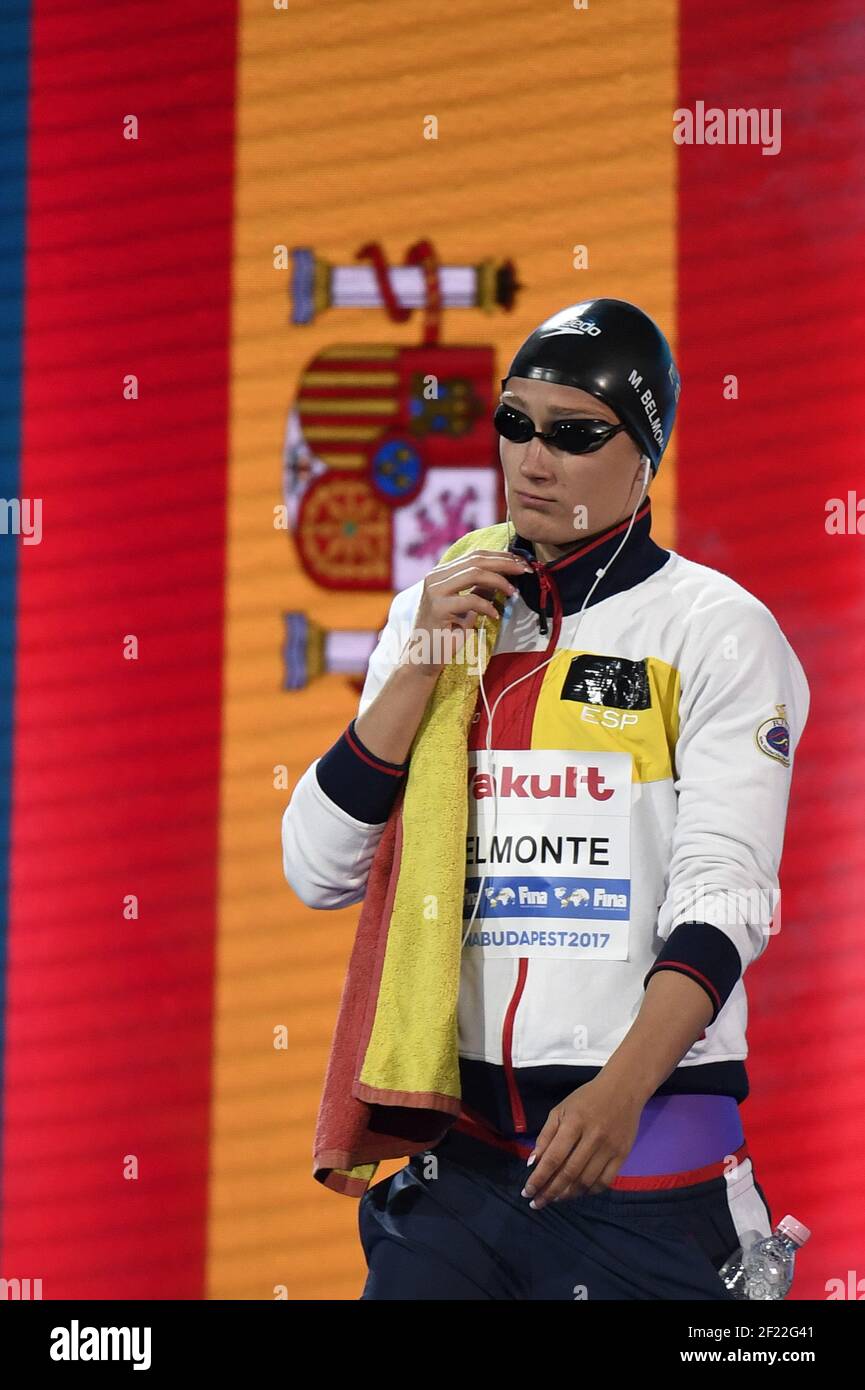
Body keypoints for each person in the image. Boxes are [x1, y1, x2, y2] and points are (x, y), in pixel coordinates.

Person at [282, 298, 810, 1300]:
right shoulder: (442, 607)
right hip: (466, 1173)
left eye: (573, 434)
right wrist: (415, 672)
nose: (532, 459)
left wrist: (620, 1093)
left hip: (648, 1167)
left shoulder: (716, 629)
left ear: (645, 452)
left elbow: (725, 896)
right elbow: (315, 868)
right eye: (516, 424)